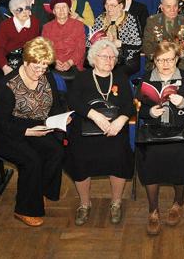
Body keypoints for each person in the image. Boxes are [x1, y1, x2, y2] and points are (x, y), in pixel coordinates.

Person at [0, 37, 67, 227]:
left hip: (36, 125)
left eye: (44, 67)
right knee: (32, 160)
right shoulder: (8, 85)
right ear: (25, 61)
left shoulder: (47, 76)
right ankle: (24, 209)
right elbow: (1, 122)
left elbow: (55, 105)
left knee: (56, 151)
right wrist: (27, 132)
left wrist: (61, 118)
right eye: (36, 68)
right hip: (6, 132)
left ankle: (38, 191)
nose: (40, 73)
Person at [66, 39, 136, 226]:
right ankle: (84, 203)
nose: (109, 60)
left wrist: (121, 120)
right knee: (80, 160)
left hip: (114, 129)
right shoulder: (82, 77)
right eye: (105, 56)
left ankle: (116, 202)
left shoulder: (120, 77)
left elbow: (130, 105)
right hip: (86, 127)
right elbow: (72, 100)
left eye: (112, 57)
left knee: (119, 157)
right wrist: (94, 115)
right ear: (93, 58)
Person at [137, 41, 184, 235]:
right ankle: (153, 210)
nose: (165, 64)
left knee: (180, 155)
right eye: (160, 60)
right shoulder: (146, 79)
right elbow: (139, 108)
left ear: (177, 59)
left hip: (181, 131)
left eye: (170, 59)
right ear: (154, 61)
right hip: (154, 130)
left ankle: (178, 203)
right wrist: (150, 112)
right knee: (150, 158)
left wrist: (183, 102)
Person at [0, 0, 41, 84]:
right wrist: (5, 67)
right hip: (1, 60)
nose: (25, 12)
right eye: (20, 9)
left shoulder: (35, 22)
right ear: (13, 12)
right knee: (2, 86)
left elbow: (36, 46)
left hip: (23, 60)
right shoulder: (5, 25)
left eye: (27, 8)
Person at [88, 0, 142, 76]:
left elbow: (138, 45)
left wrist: (120, 44)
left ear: (121, 6)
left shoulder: (130, 19)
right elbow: (88, 43)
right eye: (107, 5)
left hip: (126, 59)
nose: (109, 8)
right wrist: (98, 42)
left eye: (113, 5)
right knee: (91, 69)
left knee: (114, 73)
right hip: (102, 57)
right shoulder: (100, 19)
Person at [142, 0, 184, 73]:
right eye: (168, 6)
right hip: (158, 61)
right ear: (162, 8)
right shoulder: (152, 21)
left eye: (175, 6)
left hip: (180, 61)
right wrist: (158, 57)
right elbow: (147, 43)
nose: (172, 10)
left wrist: (181, 54)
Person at [41, 0, 86, 81]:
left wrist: (70, 62)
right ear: (53, 11)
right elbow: (45, 49)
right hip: (53, 64)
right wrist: (54, 62)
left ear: (69, 9)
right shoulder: (47, 27)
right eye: (58, 8)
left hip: (74, 64)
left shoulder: (78, 25)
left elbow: (81, 48)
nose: (61, 10)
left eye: (64, 7)